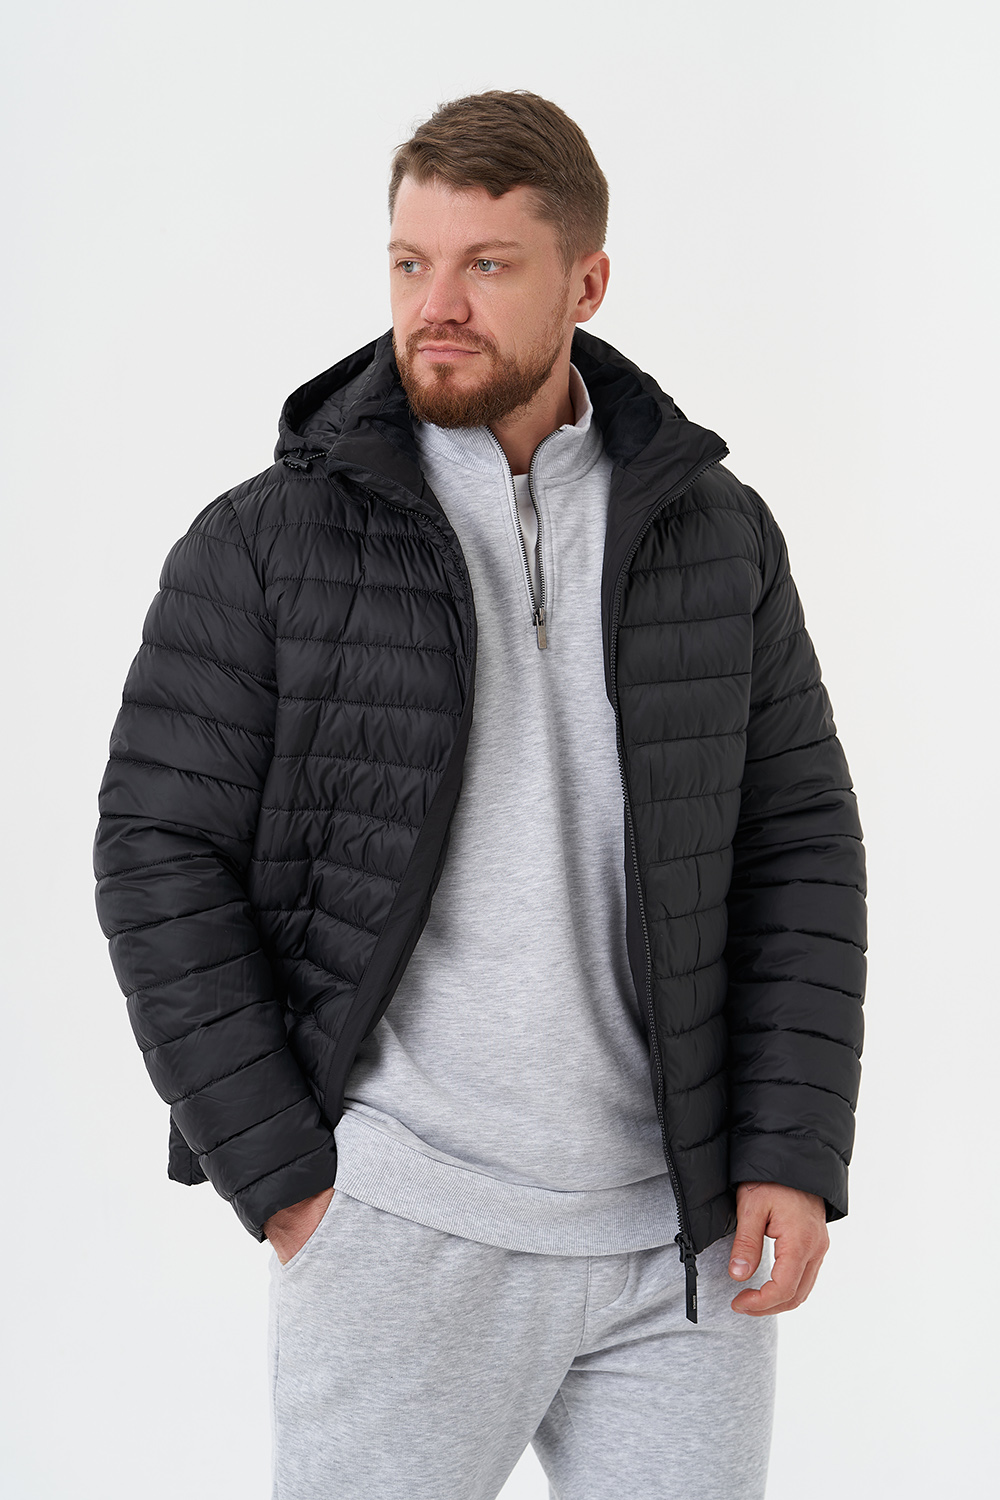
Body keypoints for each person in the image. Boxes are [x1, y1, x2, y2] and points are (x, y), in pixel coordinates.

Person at [94, 89, 866, 1500]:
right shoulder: (266, 541)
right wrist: (286, 1180)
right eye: (410, 261)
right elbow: (157, 849)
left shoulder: (716, 533)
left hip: (678, 1243)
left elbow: (798, 840)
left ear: (588, 282)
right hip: (403, 1224)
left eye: (487, 264)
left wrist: (793, 1147)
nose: (435, 305)